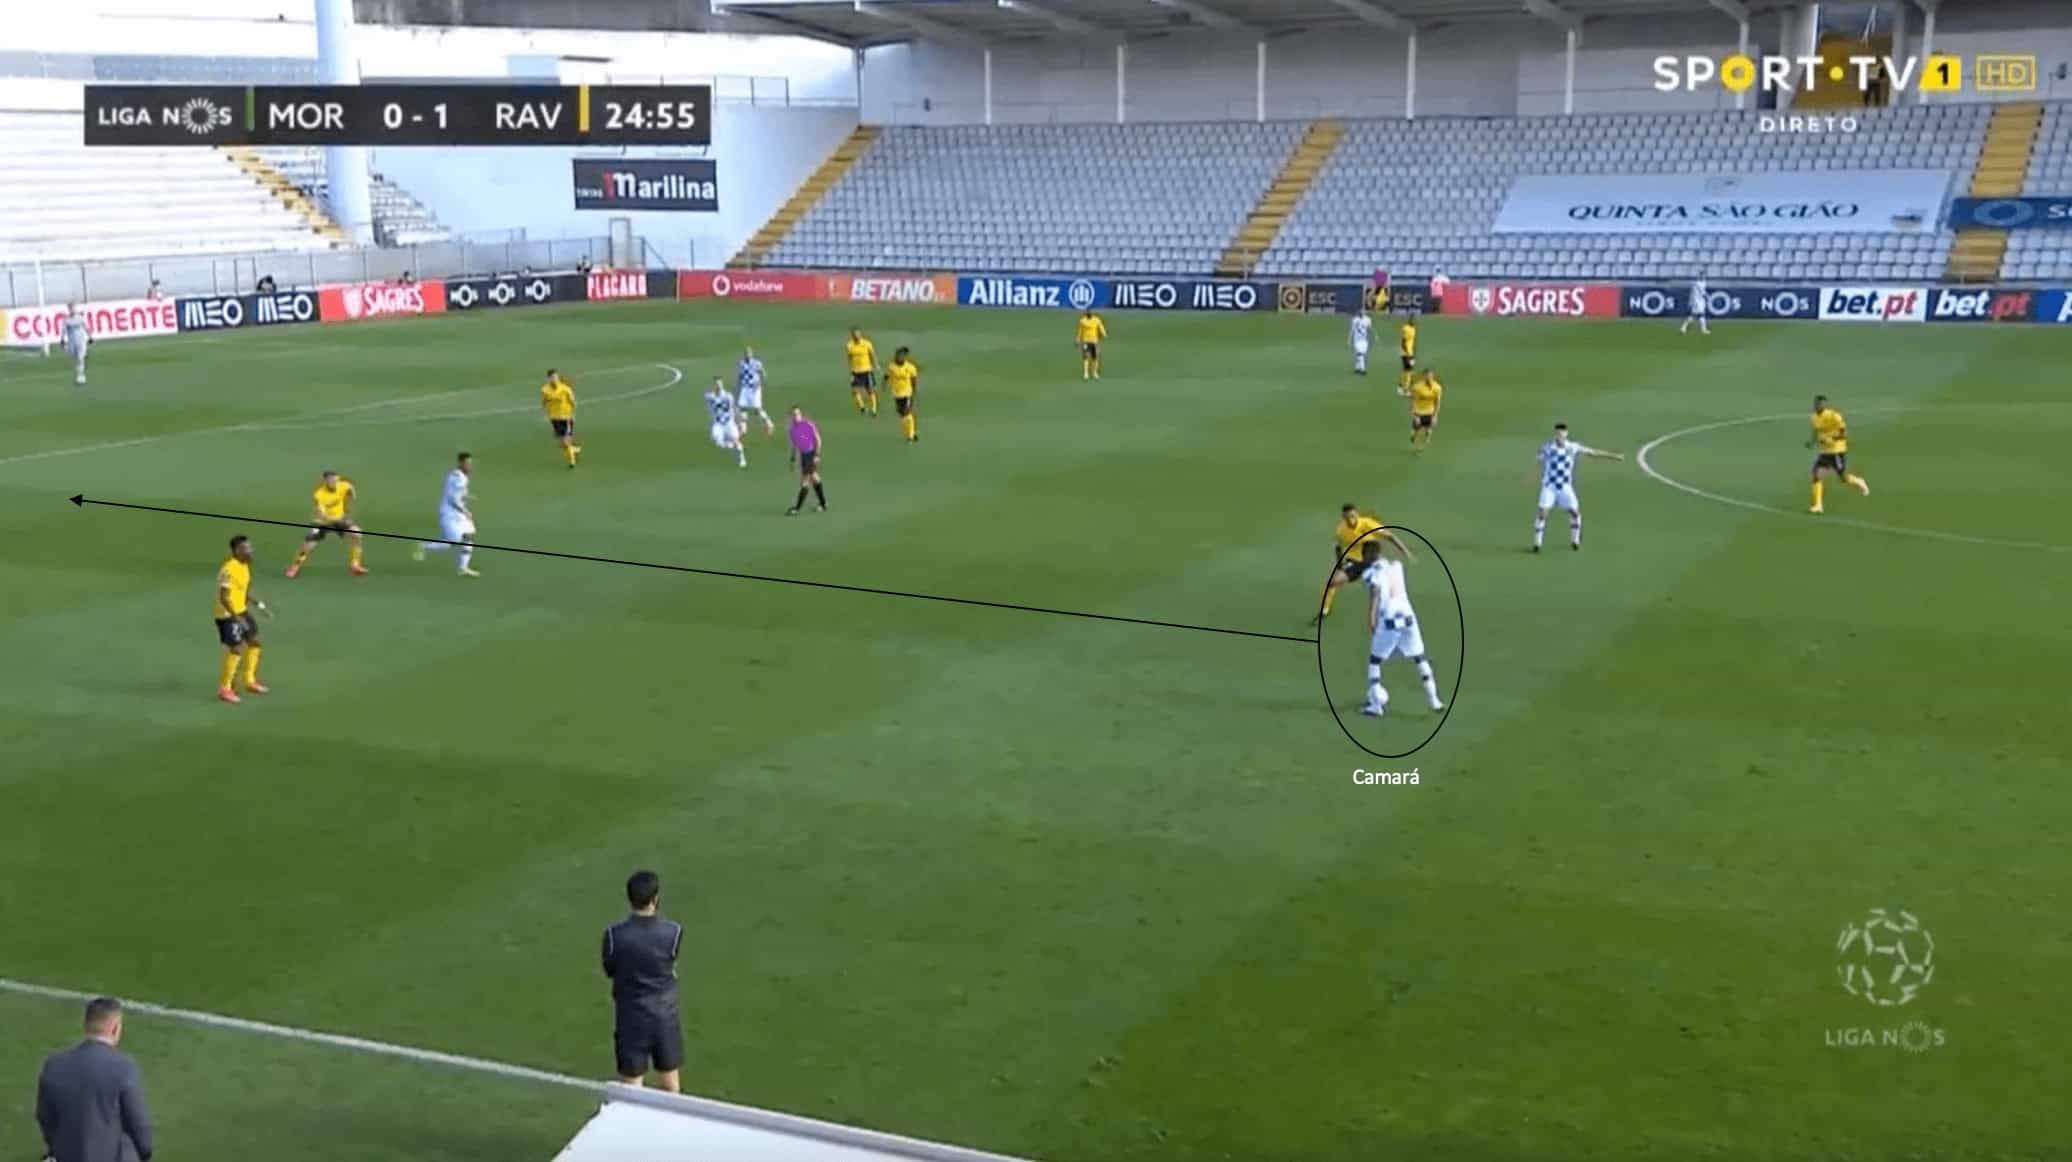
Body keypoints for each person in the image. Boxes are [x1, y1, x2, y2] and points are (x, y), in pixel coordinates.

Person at [36, 997, 155, 1162]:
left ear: (86, 1025)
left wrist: (57, 1148)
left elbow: (45, 1118)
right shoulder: (125, 1068)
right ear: (115, 1029)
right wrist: (144, 1153)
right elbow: (139, 1126)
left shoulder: (54, 1064)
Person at [602, 870, 685, 1093]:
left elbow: (610, 969)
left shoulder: (614, 935)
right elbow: (670, 961)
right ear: (655, 898)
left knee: (632, 1088)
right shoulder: (673, 932)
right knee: (670, 1086)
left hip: (631, 1018)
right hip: (664, 1017)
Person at [1360, 538, 1447, 719]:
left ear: (1367, 555)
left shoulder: (1370, 574)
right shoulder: (1396, 566)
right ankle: (1435, 700)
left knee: (1374, 661)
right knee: (1419, 658)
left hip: (1389, 620)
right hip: (1408, 617)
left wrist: (1370, 620)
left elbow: (1375, 594)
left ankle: (1376, 706)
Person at [1532, 423, 1623, 553]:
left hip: (1565, 487)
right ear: (1555, 434)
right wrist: (1538, 462)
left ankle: (1575, 540)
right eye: (1558, 433)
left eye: (1562, 433)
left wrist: (1614, 456)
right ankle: (1537, 543)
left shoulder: (1573, 447)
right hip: (1549, 486)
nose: (1560, 435)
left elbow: (1593, 453)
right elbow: (1539, 458)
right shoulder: (1548, 448)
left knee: (1574, 512)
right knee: (1542, 513)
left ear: (1566, 434)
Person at [1316, 503, 1409, 624]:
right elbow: (1338, 546)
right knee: (1332, 582)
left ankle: (1388, 614)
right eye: (1347, 517)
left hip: (1372, 561)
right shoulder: (1341, 530)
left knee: (1379, 590)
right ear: (1343, 517)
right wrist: (1339, 563)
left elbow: (1389, 536)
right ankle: (1324, 610)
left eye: (1352, 516)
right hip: (1355, 562)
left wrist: (1405, 551)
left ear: (1357, 514)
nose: (1350, 520)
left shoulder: (1367, 523)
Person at [214, 534, 268, 703]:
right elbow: (223, 598)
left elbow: (242, 591)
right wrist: (236, 618)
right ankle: (225, 689)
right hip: (227, 614)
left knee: (254, 643)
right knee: (235, 649)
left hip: (241, 611)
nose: (251, 551)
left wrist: (258, 604)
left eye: (250, 548)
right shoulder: (229, 569)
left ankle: (249, 681)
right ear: (237, 551)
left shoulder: (244, 566)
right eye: (246, 548)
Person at [285, 469, 367, 578]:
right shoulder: (319, 495)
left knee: (356, 534)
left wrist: (350, 498)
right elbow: (322, 514)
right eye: (330, 480)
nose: (333, 482)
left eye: (335, 480)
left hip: (340, 518)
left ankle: (355, 565)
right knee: (308, 546)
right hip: (322, 523)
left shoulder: (343, 485)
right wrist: (333, 520)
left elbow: (350, 488)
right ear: (325, 481)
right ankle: (294, 567)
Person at [413, 452, 479, 576]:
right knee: (453, 542)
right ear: (461, 463)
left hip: (457, 513)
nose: (470, 466)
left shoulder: (459, 475)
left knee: (469, 536)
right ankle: (423, 546)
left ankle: (463, 568)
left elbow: (456, 494)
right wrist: (466, 511)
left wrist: (467, 496)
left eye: (470, 463)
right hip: (449, 514)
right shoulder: (458, 478)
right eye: (467, 463)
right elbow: (453, 499)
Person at [1807, 394, 1870, 514]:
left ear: (1825, 405)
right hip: (1825, 452)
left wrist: (1830, 439)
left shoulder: (1834, 415)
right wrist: (1812, 442)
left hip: (1837, 451)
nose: (1817, 406)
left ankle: (1859, 482)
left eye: (1820, 404)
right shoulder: (1814, 417)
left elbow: (1844, 433)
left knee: (1843, 478)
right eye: (1816, 403)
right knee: (1816, 476)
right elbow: (1816, 431)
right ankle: (1818, 505)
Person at [786, 406, 827, 515]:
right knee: (815, 478)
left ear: (801, 415)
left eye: (797, 414)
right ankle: (823, 504)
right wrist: (792, 459)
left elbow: (818, 439)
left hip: (810, 454)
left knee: (804, 482)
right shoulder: (792, 430)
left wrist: (817, 455)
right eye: (793, 415)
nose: (795, 416)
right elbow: (794, 446)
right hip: (804, 456)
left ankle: (797, 509)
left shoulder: (807, 424)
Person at [541, 369, 580, 469]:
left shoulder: (565, 388)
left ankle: (572, 462)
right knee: (562, 442)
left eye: (555, 377)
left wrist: (573, 414)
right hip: (554, 418)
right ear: (548, 379)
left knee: (566, 440)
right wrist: (545, 413)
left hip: (566, 417)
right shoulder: (545, 390)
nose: (554, 379)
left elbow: (573, 401)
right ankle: (574, 449)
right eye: (552, 377)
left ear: (558, 377)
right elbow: (544, 402)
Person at [705, 377, 747, 468]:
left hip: (729, 422)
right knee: (717, 441)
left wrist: (741, 421)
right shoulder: (710, 396)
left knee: (736, 440)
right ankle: (729, 445)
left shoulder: (728, 396)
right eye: (716, 384)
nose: (718, 386)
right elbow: (710, 406)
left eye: (719, 384)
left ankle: (742, 458)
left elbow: (734, 408)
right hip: (718, 423)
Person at [735, 347, 775, 436]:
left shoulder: (757, 363)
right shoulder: (741, 364)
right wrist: (738, 386)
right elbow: (740, 376)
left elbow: (763, 374)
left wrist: (760, 383)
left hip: (754, 388)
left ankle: (769, 423)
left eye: (749, 353)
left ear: (752, 354)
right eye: (746, 353)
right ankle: (743, 427)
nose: (747, 354)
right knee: (742, 408)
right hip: (744, 388)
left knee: (757, 409)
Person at [886, 345, 920, 443]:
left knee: (907, 412)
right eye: (898, 355)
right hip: (897, 394)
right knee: (902, 415)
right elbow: (888, 375)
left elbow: (914, 380)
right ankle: (911, 433)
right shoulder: (892, 366)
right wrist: (885, 382)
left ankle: (910, 436)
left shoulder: (910, 367)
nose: (900, 357)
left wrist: (913, 392)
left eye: (902, 355)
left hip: (907, 393)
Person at [843, 327, 878, 418]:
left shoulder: (867, 344)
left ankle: (874, 409)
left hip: (866, 370)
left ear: (860, 335)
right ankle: (862, 407)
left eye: (858, 334)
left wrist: (875, 365)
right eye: (854, 335)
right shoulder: (849, 345)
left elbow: (872, 355)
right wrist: (850, 369)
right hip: (856, 371)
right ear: (852, 336)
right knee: (855, 390)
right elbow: (849, 357)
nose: (856, 336)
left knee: (870, 390)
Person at [1407, 368, 1443, 450]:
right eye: (1427, 376)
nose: (1428, 378)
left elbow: (1437, 402)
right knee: (1415, 431)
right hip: (1418, 412)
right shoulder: (1417, 387)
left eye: (1430, 376)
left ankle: (1423, 442)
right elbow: (1412, 401)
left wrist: (1435, 416)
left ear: (1433, 376)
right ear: (1424, 377)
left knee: (1428, 430)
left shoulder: (1437, 387)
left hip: (1429, 412)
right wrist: (1414, 415)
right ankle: (1413, 437)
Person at [1075, 308, 1106, 380]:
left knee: (1095, 357)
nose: (1088, 314)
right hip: (1085, 341)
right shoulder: (1082, 321)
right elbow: (1080, 331)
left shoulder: (1096, 320)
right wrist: (1078, 339)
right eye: (1087, 312)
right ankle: (1086, 373)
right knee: (1085, 357)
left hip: (1094, 341)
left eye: (1089, 312)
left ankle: (1094, 373)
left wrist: (1103, 333)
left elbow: (1100, 327)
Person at [61, 303, 88, 387]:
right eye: (70, 308)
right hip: (72, 342)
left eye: (73, 308)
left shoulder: (80, 318)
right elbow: (64, 330)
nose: (72, 310)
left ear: (75, 308)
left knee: (80, 358)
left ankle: (81, 376)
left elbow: (85, 327)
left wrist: (90, 336)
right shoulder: (66, 320)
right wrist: (62, 340)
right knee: (76, 359)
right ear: (68, 309)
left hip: (81, 341)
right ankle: (79, 375)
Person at [1396, 312, 1418, 395]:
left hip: (1410, 352)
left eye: (1414, 318)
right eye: (1411, 318)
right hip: (1406, 353)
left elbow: (1411, 342)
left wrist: (1412, 354)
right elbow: (1403, 342)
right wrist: (1407, 353)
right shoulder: (1406, 328)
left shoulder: (1413, 328)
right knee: (1409, 371)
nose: (1413, 320)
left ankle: (1401, 387)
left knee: (1406, 370)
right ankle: (1406, 389)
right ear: (1409, 319)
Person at [1348, 305, 1372, 376]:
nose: (1362, 312)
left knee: (1361, 355)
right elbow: (1352, 330)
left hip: (1364, 340)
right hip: (1357, 340)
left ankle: (1357, 368)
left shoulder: (1368, 319)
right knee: (1359, 354)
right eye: (1361, 311)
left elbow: (1369, 329)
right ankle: (1363, 370)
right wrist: (1349, 339)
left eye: (1363, 311)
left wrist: (1372, 337)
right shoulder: (1355, 320)